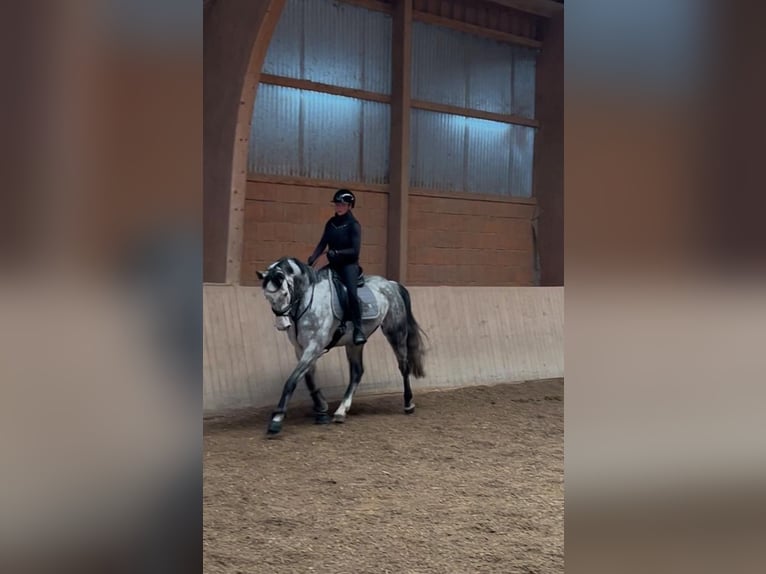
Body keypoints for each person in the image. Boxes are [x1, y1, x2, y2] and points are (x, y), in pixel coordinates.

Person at [308, 189, 367, 345]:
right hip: (332, 265)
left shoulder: (354, 225)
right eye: (337, 204)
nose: (338, 207)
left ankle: (358, 328)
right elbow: (322, 243)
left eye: (342, 204)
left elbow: (355, 251)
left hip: (349, 266)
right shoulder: (331, 223)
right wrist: (313, 257)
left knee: (352, 295)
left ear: (349, 206)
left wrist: (336, 253)